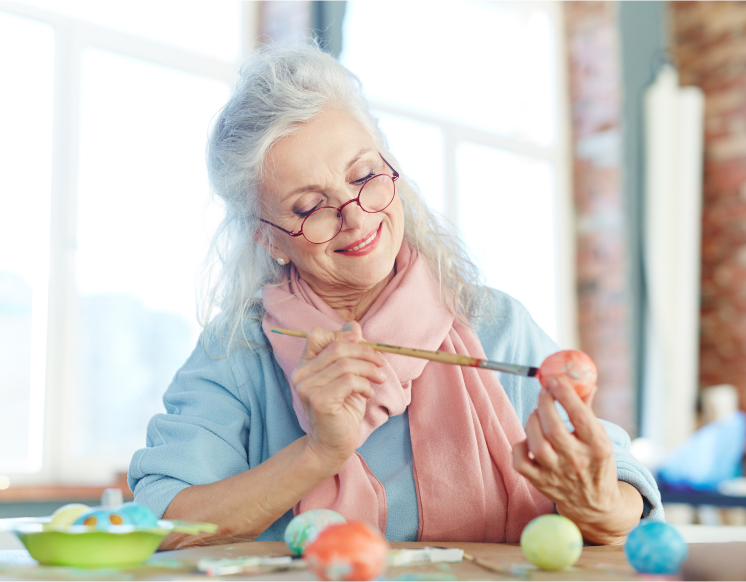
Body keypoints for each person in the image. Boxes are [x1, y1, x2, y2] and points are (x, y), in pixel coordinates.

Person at [128, 43, 661, 550]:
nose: (356, 216)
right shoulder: (239, 351)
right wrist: (318, 453)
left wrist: (600, 506)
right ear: (268, 239)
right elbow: (163, 523)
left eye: (364, 176)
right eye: (310, 207)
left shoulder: (493, 322)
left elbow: (622, 487)